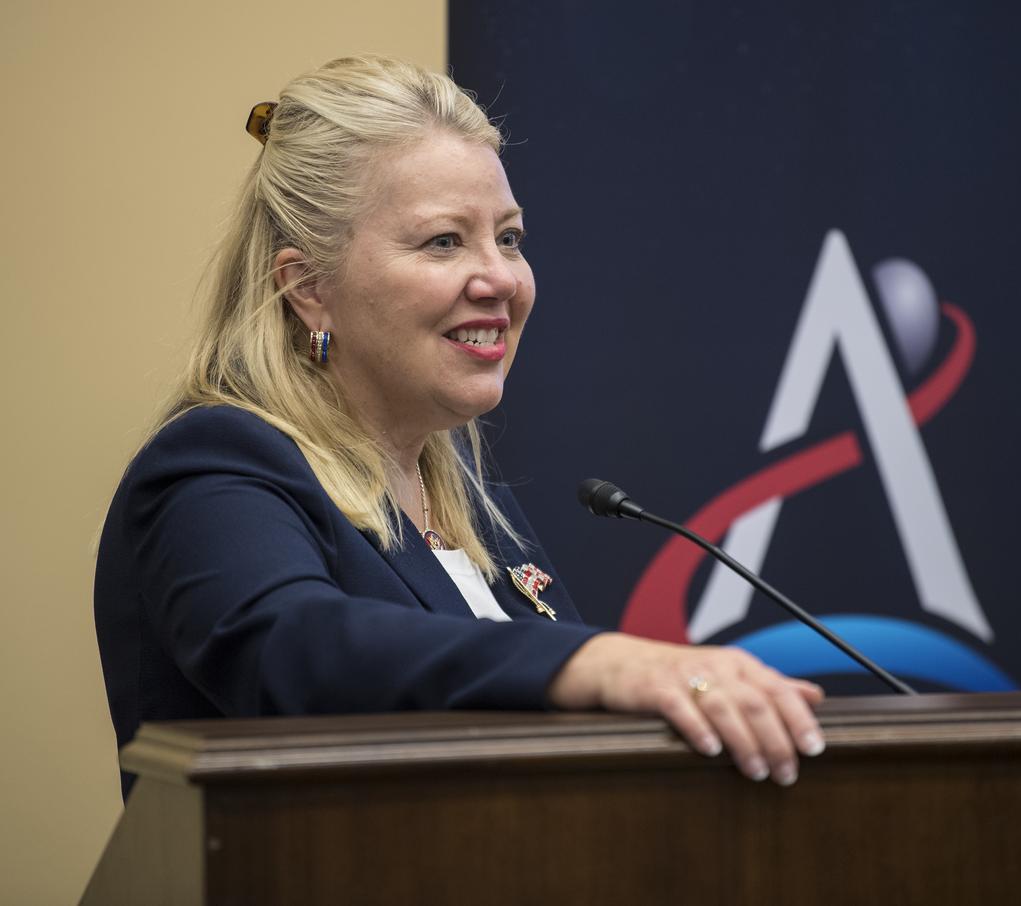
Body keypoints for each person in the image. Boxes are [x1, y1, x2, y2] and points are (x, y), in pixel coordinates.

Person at [94, 54, 825, 799]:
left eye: (508, 238)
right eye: (444, 241)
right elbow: (292, 649)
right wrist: (597, 663)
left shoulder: (466, 497)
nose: (501, 279)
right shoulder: (217, 462)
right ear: (307, 287)